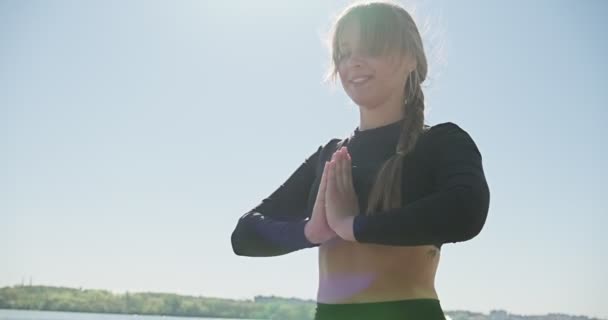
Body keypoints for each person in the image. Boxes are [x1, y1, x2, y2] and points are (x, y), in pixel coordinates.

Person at [230, 1, 490, 319]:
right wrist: (311, 232)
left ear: (411, 57)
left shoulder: (441, 142)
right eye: (344, 52)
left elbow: (466, 210)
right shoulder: (329, 156)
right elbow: (243, 235)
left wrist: (352, 226)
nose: (353, 61)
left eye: (371, 47)